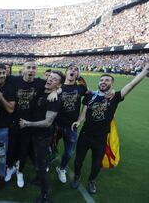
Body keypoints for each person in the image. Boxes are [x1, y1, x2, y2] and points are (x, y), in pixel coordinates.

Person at [71, 62, 149, 194]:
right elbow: (84, 112)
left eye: (107, 80)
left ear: (112, 84)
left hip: (101, 138)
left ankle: (92, 180)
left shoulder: (115, 97)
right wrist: (79, 121)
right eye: (101, 80)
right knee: (78, 160)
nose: (103, 82)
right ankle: (77, 175)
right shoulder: (90, 96)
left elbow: (131, 85)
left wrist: (145, 70)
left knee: (97, 164)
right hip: (85, 135)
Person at [19, 70, 65, 203]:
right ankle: (39, 178)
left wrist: (27, 124)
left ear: (58, 85)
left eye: (54, 79)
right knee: (33, 158)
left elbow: (47, 122)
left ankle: (45, 195)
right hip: (33, 134)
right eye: (49, 77)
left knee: (41, 164)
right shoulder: (42, 91)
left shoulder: (54, 99)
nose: (50, 79)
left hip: (42, 137)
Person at [55, 65, 88, 184]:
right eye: (71, 69)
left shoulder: (81, 88)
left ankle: (61, 168)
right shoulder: (58, 87)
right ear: (66, 72)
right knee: (50, 147)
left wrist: (79, 121)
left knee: (69, 152)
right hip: (56, 125)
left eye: (76, 69)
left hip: (71, 126)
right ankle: (47, 164)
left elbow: (93, 94)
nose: (73, 70)